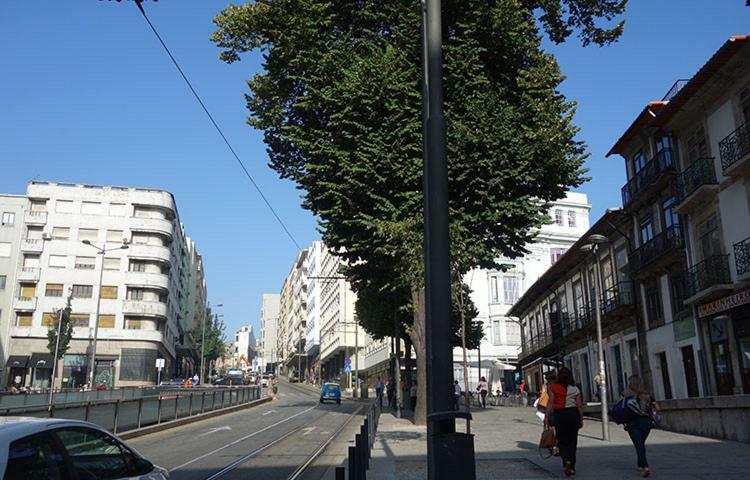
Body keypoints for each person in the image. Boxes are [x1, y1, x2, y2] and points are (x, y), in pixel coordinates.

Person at [545, 367, 583, 477]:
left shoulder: (553, 388)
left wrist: (546, 416)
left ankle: (566, 460)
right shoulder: (575, 389)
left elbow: (550, 403)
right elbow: (579, 405)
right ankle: (571, 466)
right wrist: (581, 418)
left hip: (559, 415)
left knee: (562, 440)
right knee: (572, 441)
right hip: (572, 414)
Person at [623, 375, 658, 478]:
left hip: (632, 422)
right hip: (646, 422)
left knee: (639, 444)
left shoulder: (626, 393)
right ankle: (640, 464)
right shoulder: (647, 394)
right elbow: (657, 407)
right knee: (640, 443)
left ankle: (645, 466)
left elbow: (621, 406)